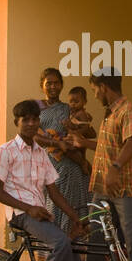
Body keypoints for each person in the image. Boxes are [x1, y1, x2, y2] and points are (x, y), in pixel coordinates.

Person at [0, 99, 88, 261]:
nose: (31, 124)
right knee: (60, 243)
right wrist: (29, 208)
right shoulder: (6, 151)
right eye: (26, 120)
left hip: (39, 213)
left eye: (35, 119)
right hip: (21, 214)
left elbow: (54, 193)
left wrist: (76, 218)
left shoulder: (41, 154)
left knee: (70, 246)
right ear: (17, 122)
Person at [68, 68, 132, 261]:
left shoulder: (128, 111)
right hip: (102, 189)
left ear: (103, 87)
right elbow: (109, 146)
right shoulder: (109, 114)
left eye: (95, 90)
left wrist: (115, 167)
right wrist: (83, 143)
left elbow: (131, 143)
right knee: (96, 239)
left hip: (123, 189)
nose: (95, 95)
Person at [32, 67, 90, 232]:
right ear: (42, 85)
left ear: (62, 85)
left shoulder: (68, 108)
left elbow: (84, 130)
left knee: (73, 206)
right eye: (48, 83)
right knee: (52, 205)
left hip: (70, 166)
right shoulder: (36, 108)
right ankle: (54, 249)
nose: (53, 87)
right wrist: (57, 144)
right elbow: (34, 136)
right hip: (48, 164)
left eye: (56, 83)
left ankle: (74, 249)